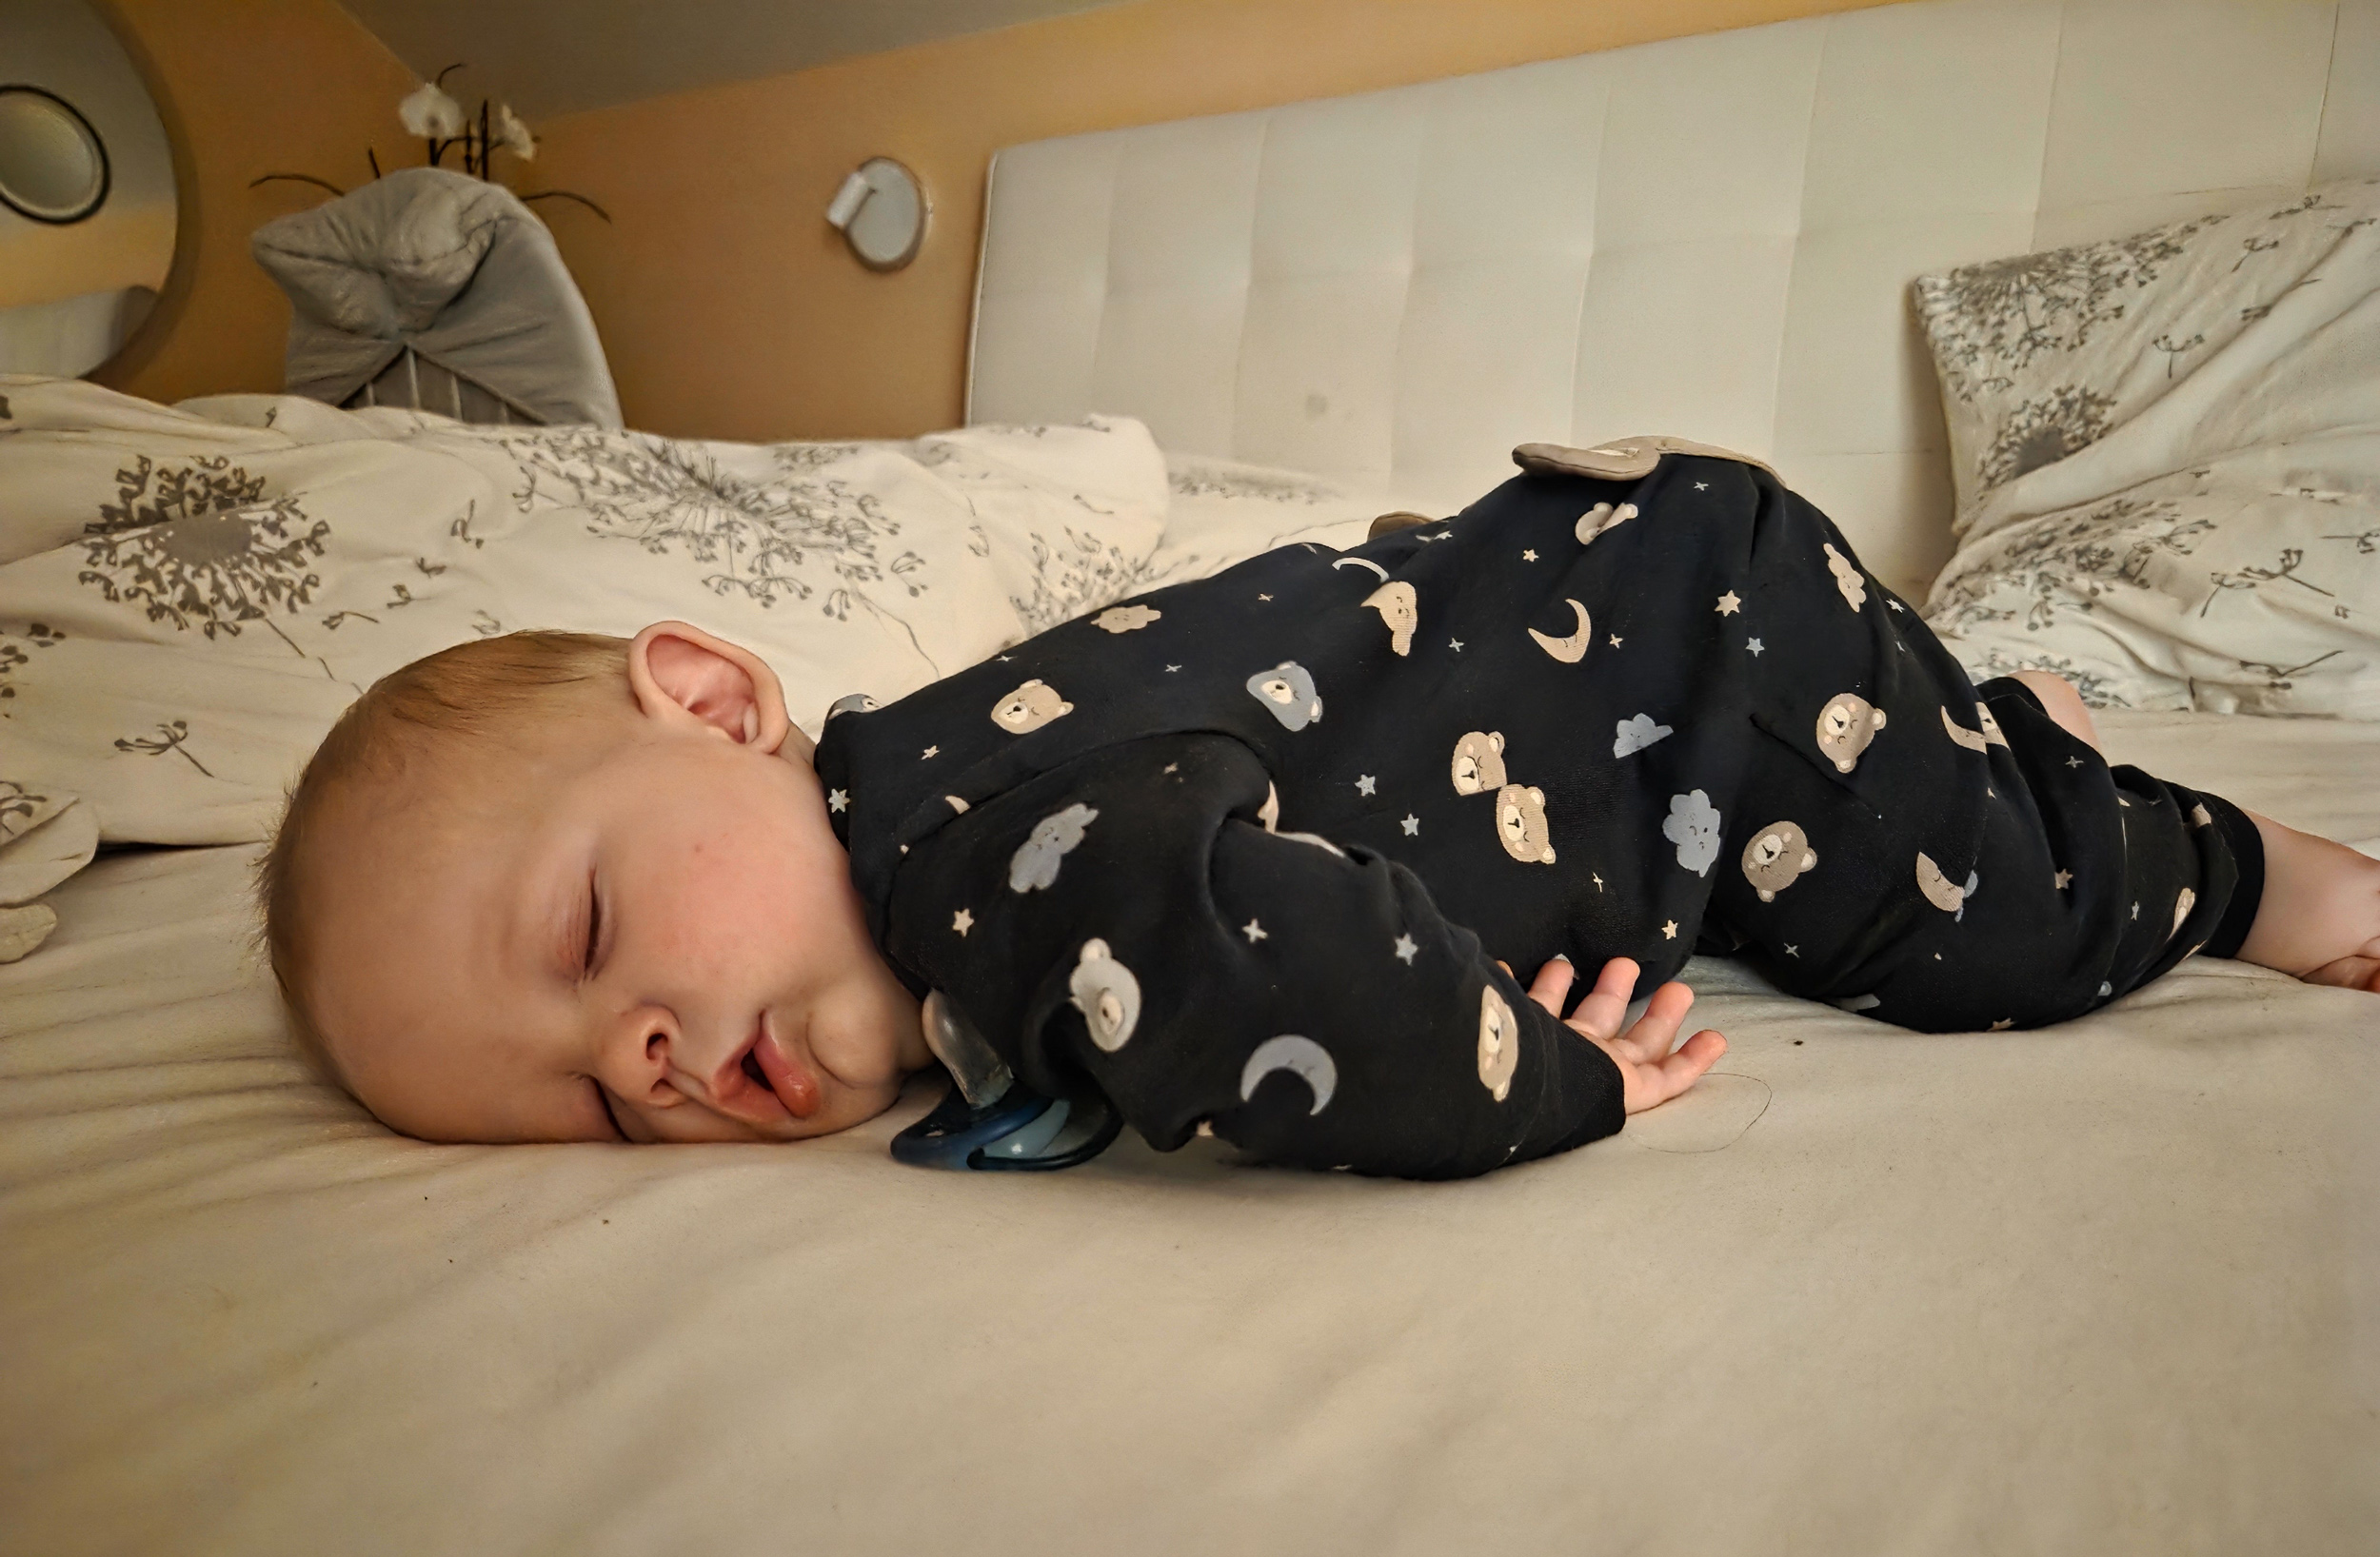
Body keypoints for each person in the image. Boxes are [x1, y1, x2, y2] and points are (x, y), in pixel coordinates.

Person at [258, 438, 2380, 1176]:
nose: (635, 1058)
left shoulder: (971, 858)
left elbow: (1302, 994)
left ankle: (2236, 867)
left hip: (1692, 658)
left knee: (1991, 933)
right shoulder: (936, 790)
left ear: (718, 703)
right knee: (1898, 800)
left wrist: (1554, 1079)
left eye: (584, 940)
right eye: (575, 1104)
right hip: (1630, 638)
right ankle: (1992, 720)